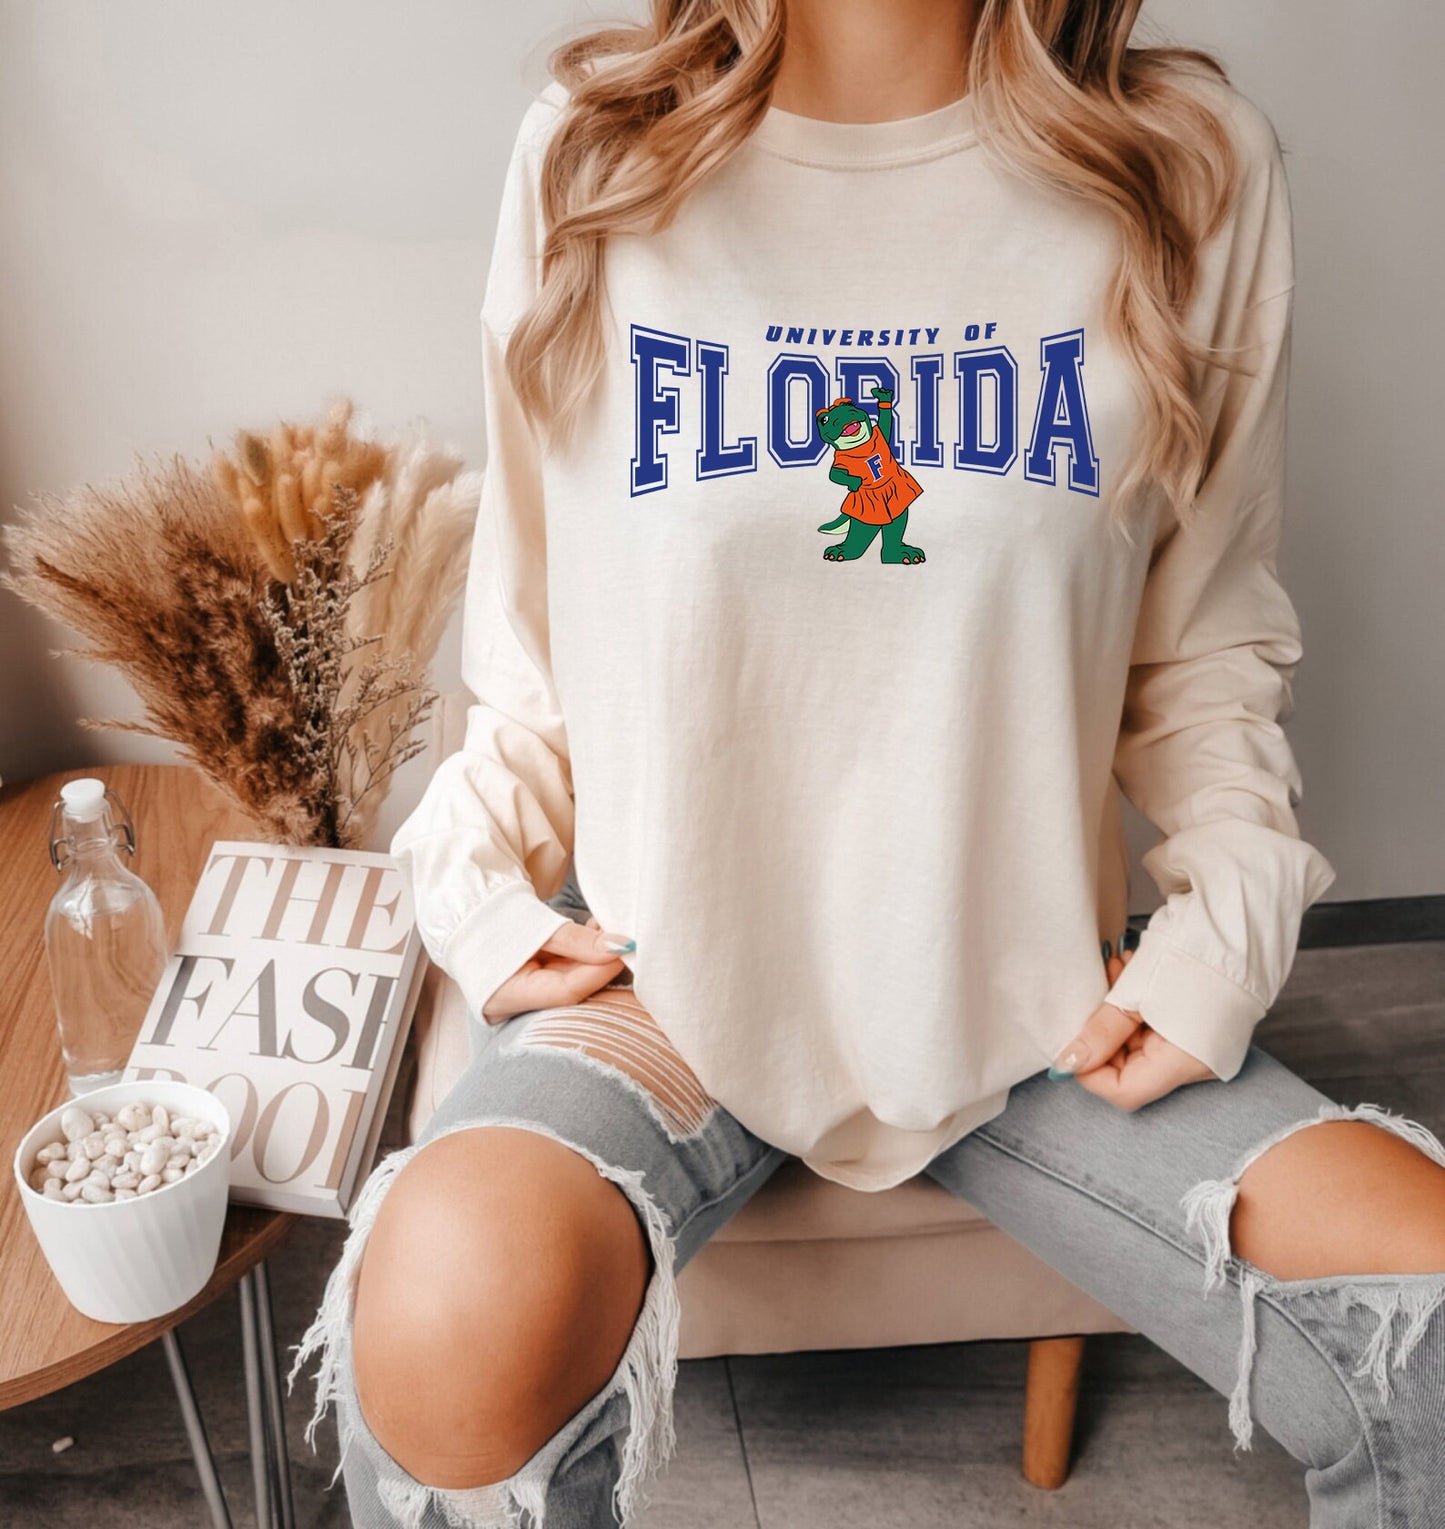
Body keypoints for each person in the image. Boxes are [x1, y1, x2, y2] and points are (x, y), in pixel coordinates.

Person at [290, 4, 1445, 1525]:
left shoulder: (1184, 170)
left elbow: (1206, 639)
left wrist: (1227, 918)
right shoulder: (595, 150)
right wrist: (478, 890)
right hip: (672, 982)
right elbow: (531, 629)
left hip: (1025, 991)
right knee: (449, 1308)